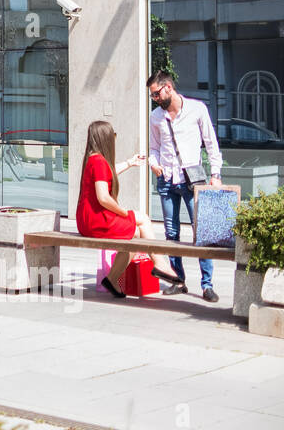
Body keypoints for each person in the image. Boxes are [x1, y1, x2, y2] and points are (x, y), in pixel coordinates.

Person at [76, 120, 185, 298]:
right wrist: (123, 212)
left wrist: (129, 162)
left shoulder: (93, 159)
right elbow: (103, 197)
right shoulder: (99, 161)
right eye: (113, 136)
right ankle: (159, 263)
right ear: (106, 138)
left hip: (87, 220)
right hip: (96, 220)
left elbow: (107, 173)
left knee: (135, 233)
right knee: (142, 219)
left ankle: (112, 279)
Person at [146, 71, 222, 303]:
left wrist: (215, 174)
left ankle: (207, 285)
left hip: (192, 180)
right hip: (167, 180)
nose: (155, 99)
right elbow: (154, 147)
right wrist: (153, 162)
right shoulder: (155, 117)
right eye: (152, 96)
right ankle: (178, 280)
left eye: (157, 94)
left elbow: (211, 143)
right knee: (171, 233)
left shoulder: (197, 109)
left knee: (201, 234)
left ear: (168, 87)